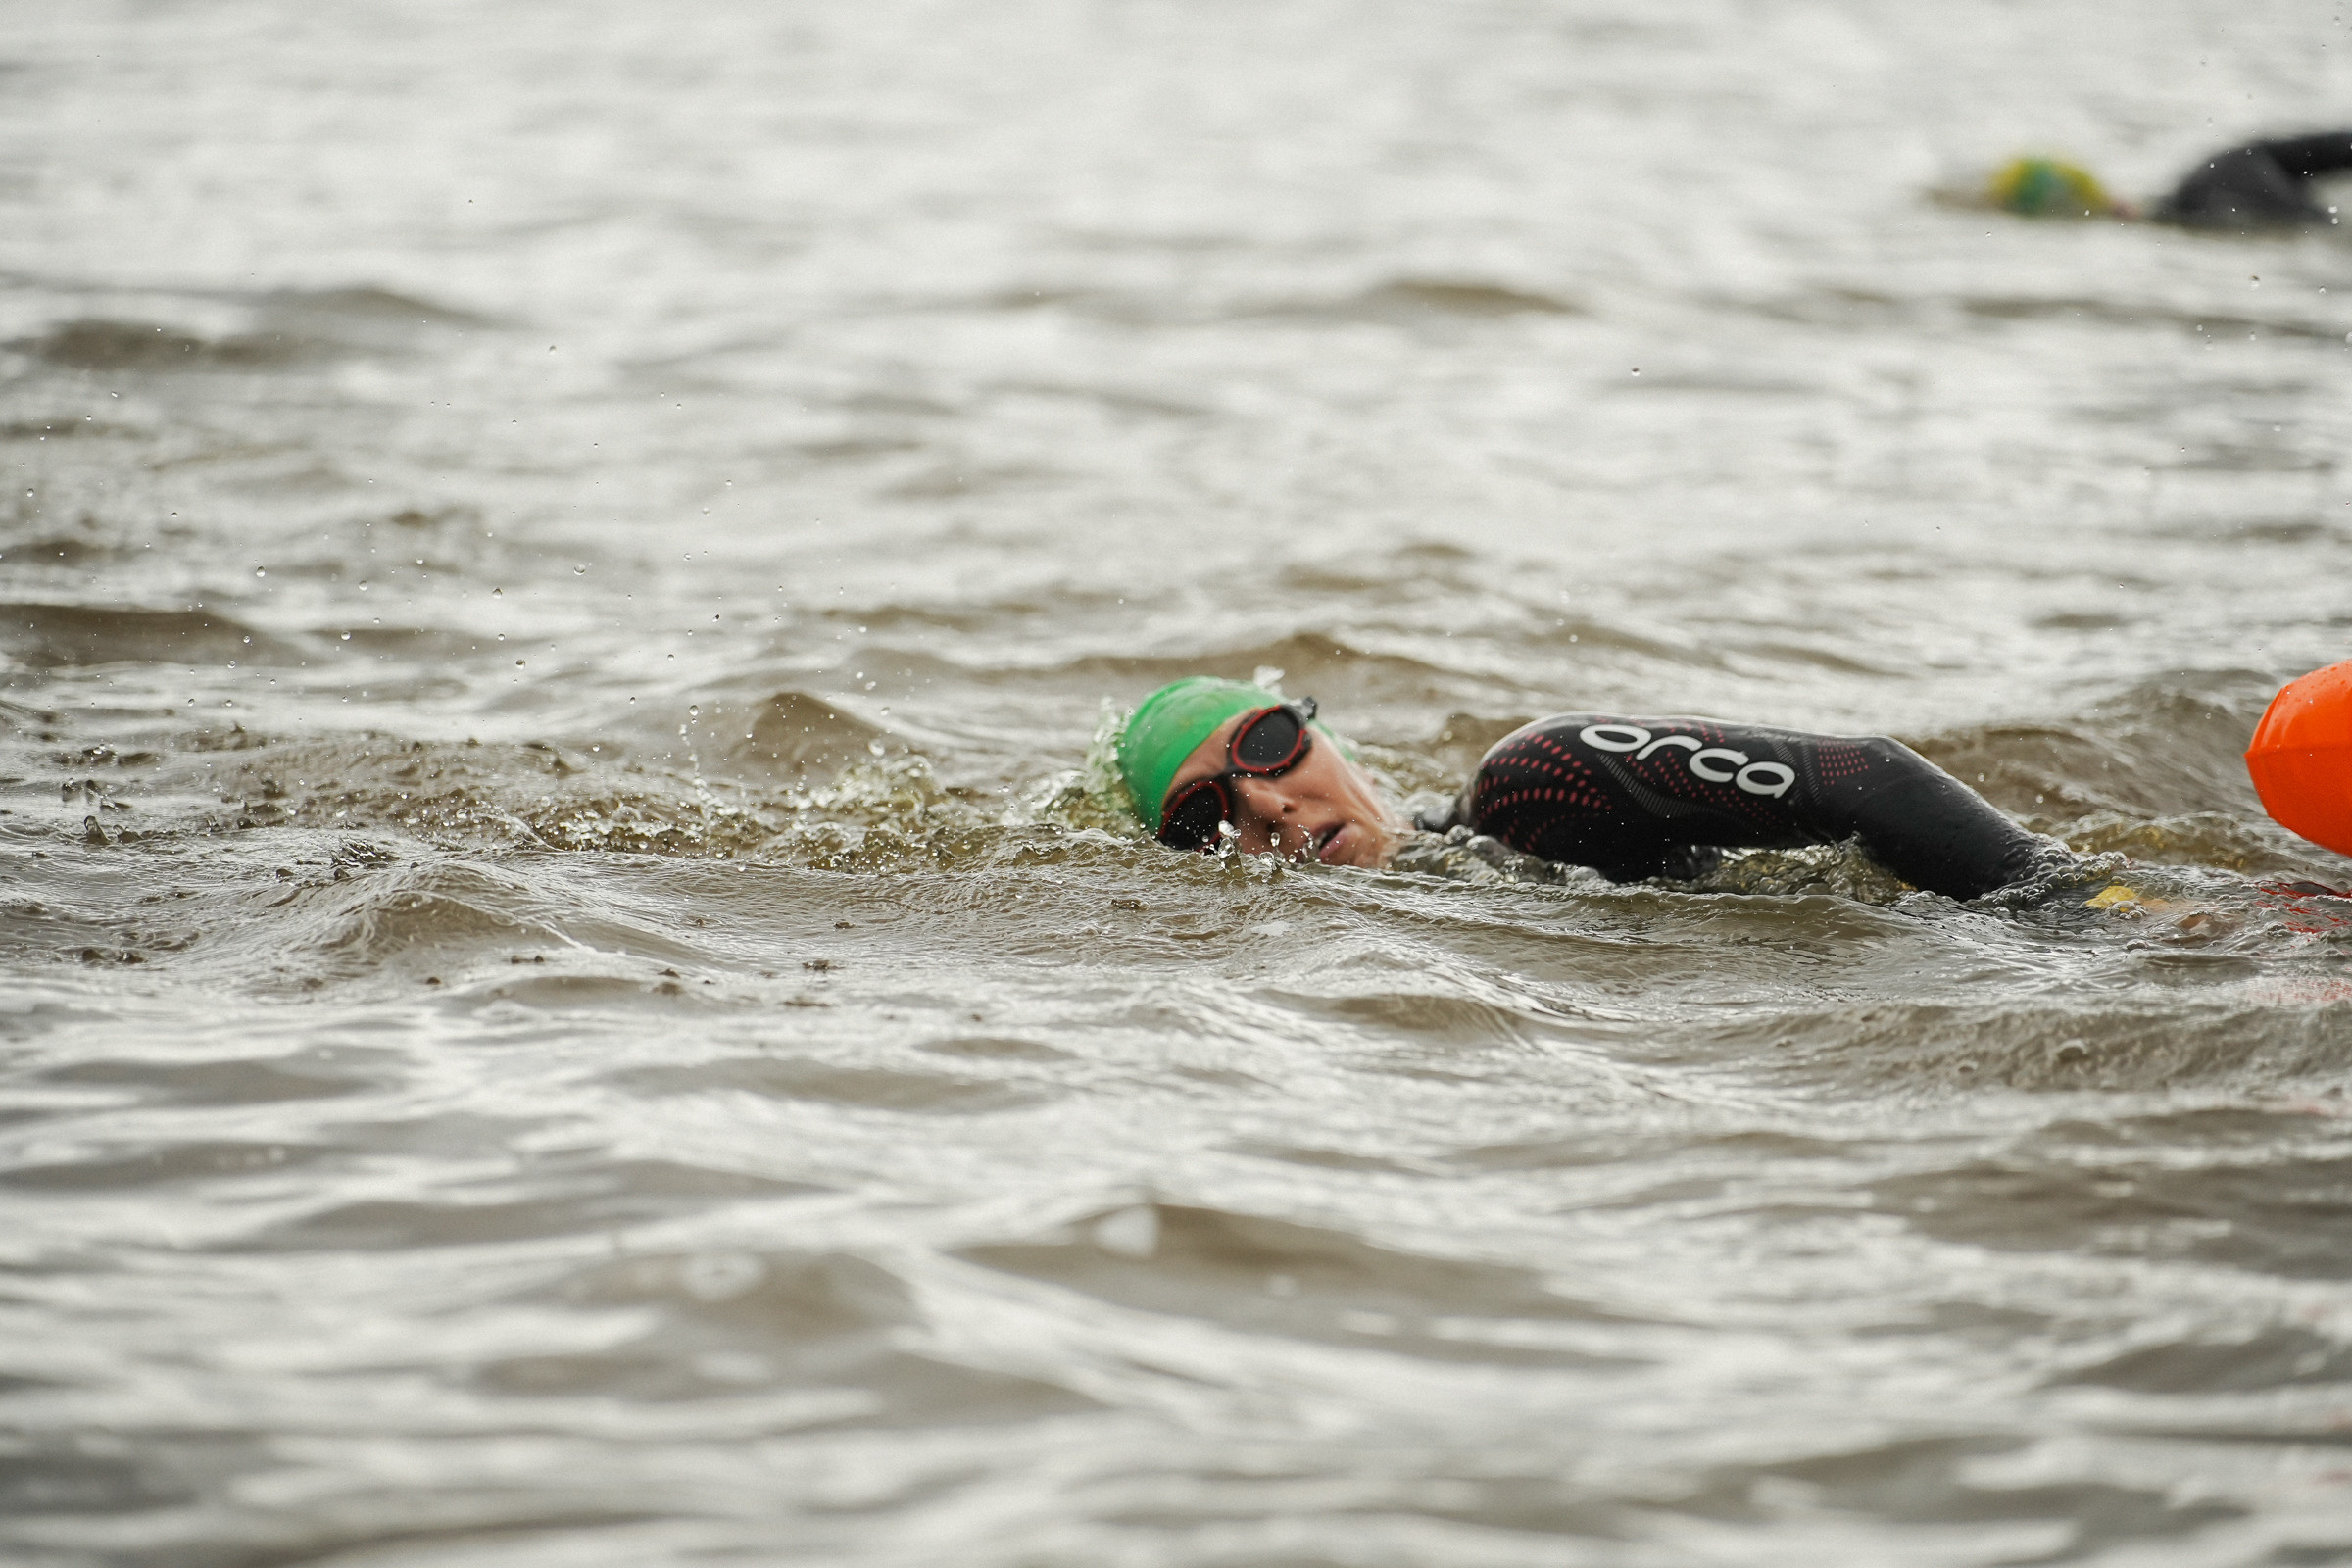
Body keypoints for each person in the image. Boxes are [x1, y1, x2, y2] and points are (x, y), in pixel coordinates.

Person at [1113, 677, 2074, 901]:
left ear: (1324, 738)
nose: (1267, 806)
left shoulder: (1540, 786)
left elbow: (1863, 776)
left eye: (1268, 746)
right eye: (1205, 816)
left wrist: (2099, 910)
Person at [1988, 131, 2352, 228]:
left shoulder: (2195, 199)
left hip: (2227, 173)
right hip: (2232, 167)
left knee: (2318, 226)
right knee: (2318, 226)